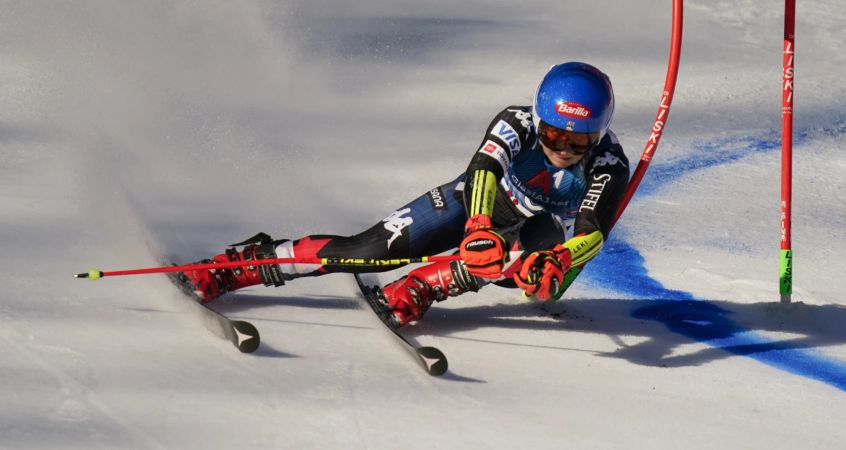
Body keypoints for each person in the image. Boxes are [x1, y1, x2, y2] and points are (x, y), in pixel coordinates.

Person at [179, 61, 630, 327]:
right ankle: (241, 266)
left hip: (537, 238)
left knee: (539, 253)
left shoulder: (609, 162)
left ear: (601, 133)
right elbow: (485, 169)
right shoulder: (516, 121)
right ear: (539, 116)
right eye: (554, 133)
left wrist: (564, 259)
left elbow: (592, 229)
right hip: (473, 202)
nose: (564, 148)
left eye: (580, 140)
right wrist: (477, 227)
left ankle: (424, 284)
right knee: (368, 250)